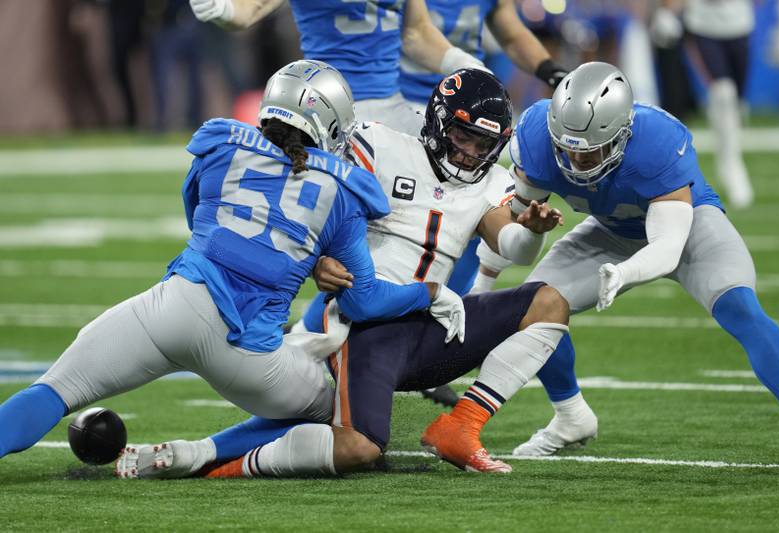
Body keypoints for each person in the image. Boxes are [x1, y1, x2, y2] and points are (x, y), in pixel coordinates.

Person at [0, 59, 466, 461]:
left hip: (169, 311)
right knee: (347, 417)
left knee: (53, 391)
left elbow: (196, 216)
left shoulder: (220, 147)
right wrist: (426, 292)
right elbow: (364, 302)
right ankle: (201, 454)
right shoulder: (341, 192)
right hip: (248, 354)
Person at [116, 68, 566, 478]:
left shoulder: (490, 184)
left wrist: (533, 231)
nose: (470, 154)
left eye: (483, 145)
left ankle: (461, 426)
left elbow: (512, 246)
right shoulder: (379, 146)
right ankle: (217, 465)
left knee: (548, 302)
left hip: (436, 327)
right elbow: (297, 198)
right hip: (370, 326)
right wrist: (315, 262)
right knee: (358, 447)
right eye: (462, 137)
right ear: (438, 122)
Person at [428, 62, 779, 463]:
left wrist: (624, 273)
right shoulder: (537, 136)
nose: (574, 160)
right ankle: (571, 416)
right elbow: (510, 221)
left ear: (622, 135)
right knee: (532, 308)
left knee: (739, 306)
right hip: (609, 231)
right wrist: (484, 282)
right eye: (565, 147)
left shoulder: (657, 140)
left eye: (588, 152)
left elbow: (668, 246)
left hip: (688, 225)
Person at [398, 0, 570, 296]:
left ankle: (453, 302)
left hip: (473, 111)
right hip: (407, 103)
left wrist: (553, 73)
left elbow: (512, 34)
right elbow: (415, 33)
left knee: (472, 210)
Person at [189, 0, 488, 134]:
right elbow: (247, 10)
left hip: (390, 108)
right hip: (324, 110)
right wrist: (223, 9)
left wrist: (464, 64)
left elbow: (417, 33)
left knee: (452, 179)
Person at [652, 0, 754, 208]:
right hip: (703, 25)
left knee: (736, 103)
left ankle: (728, 150)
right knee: (724, 92)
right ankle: (732, 165)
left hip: (739, 23)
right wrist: (668, 11)